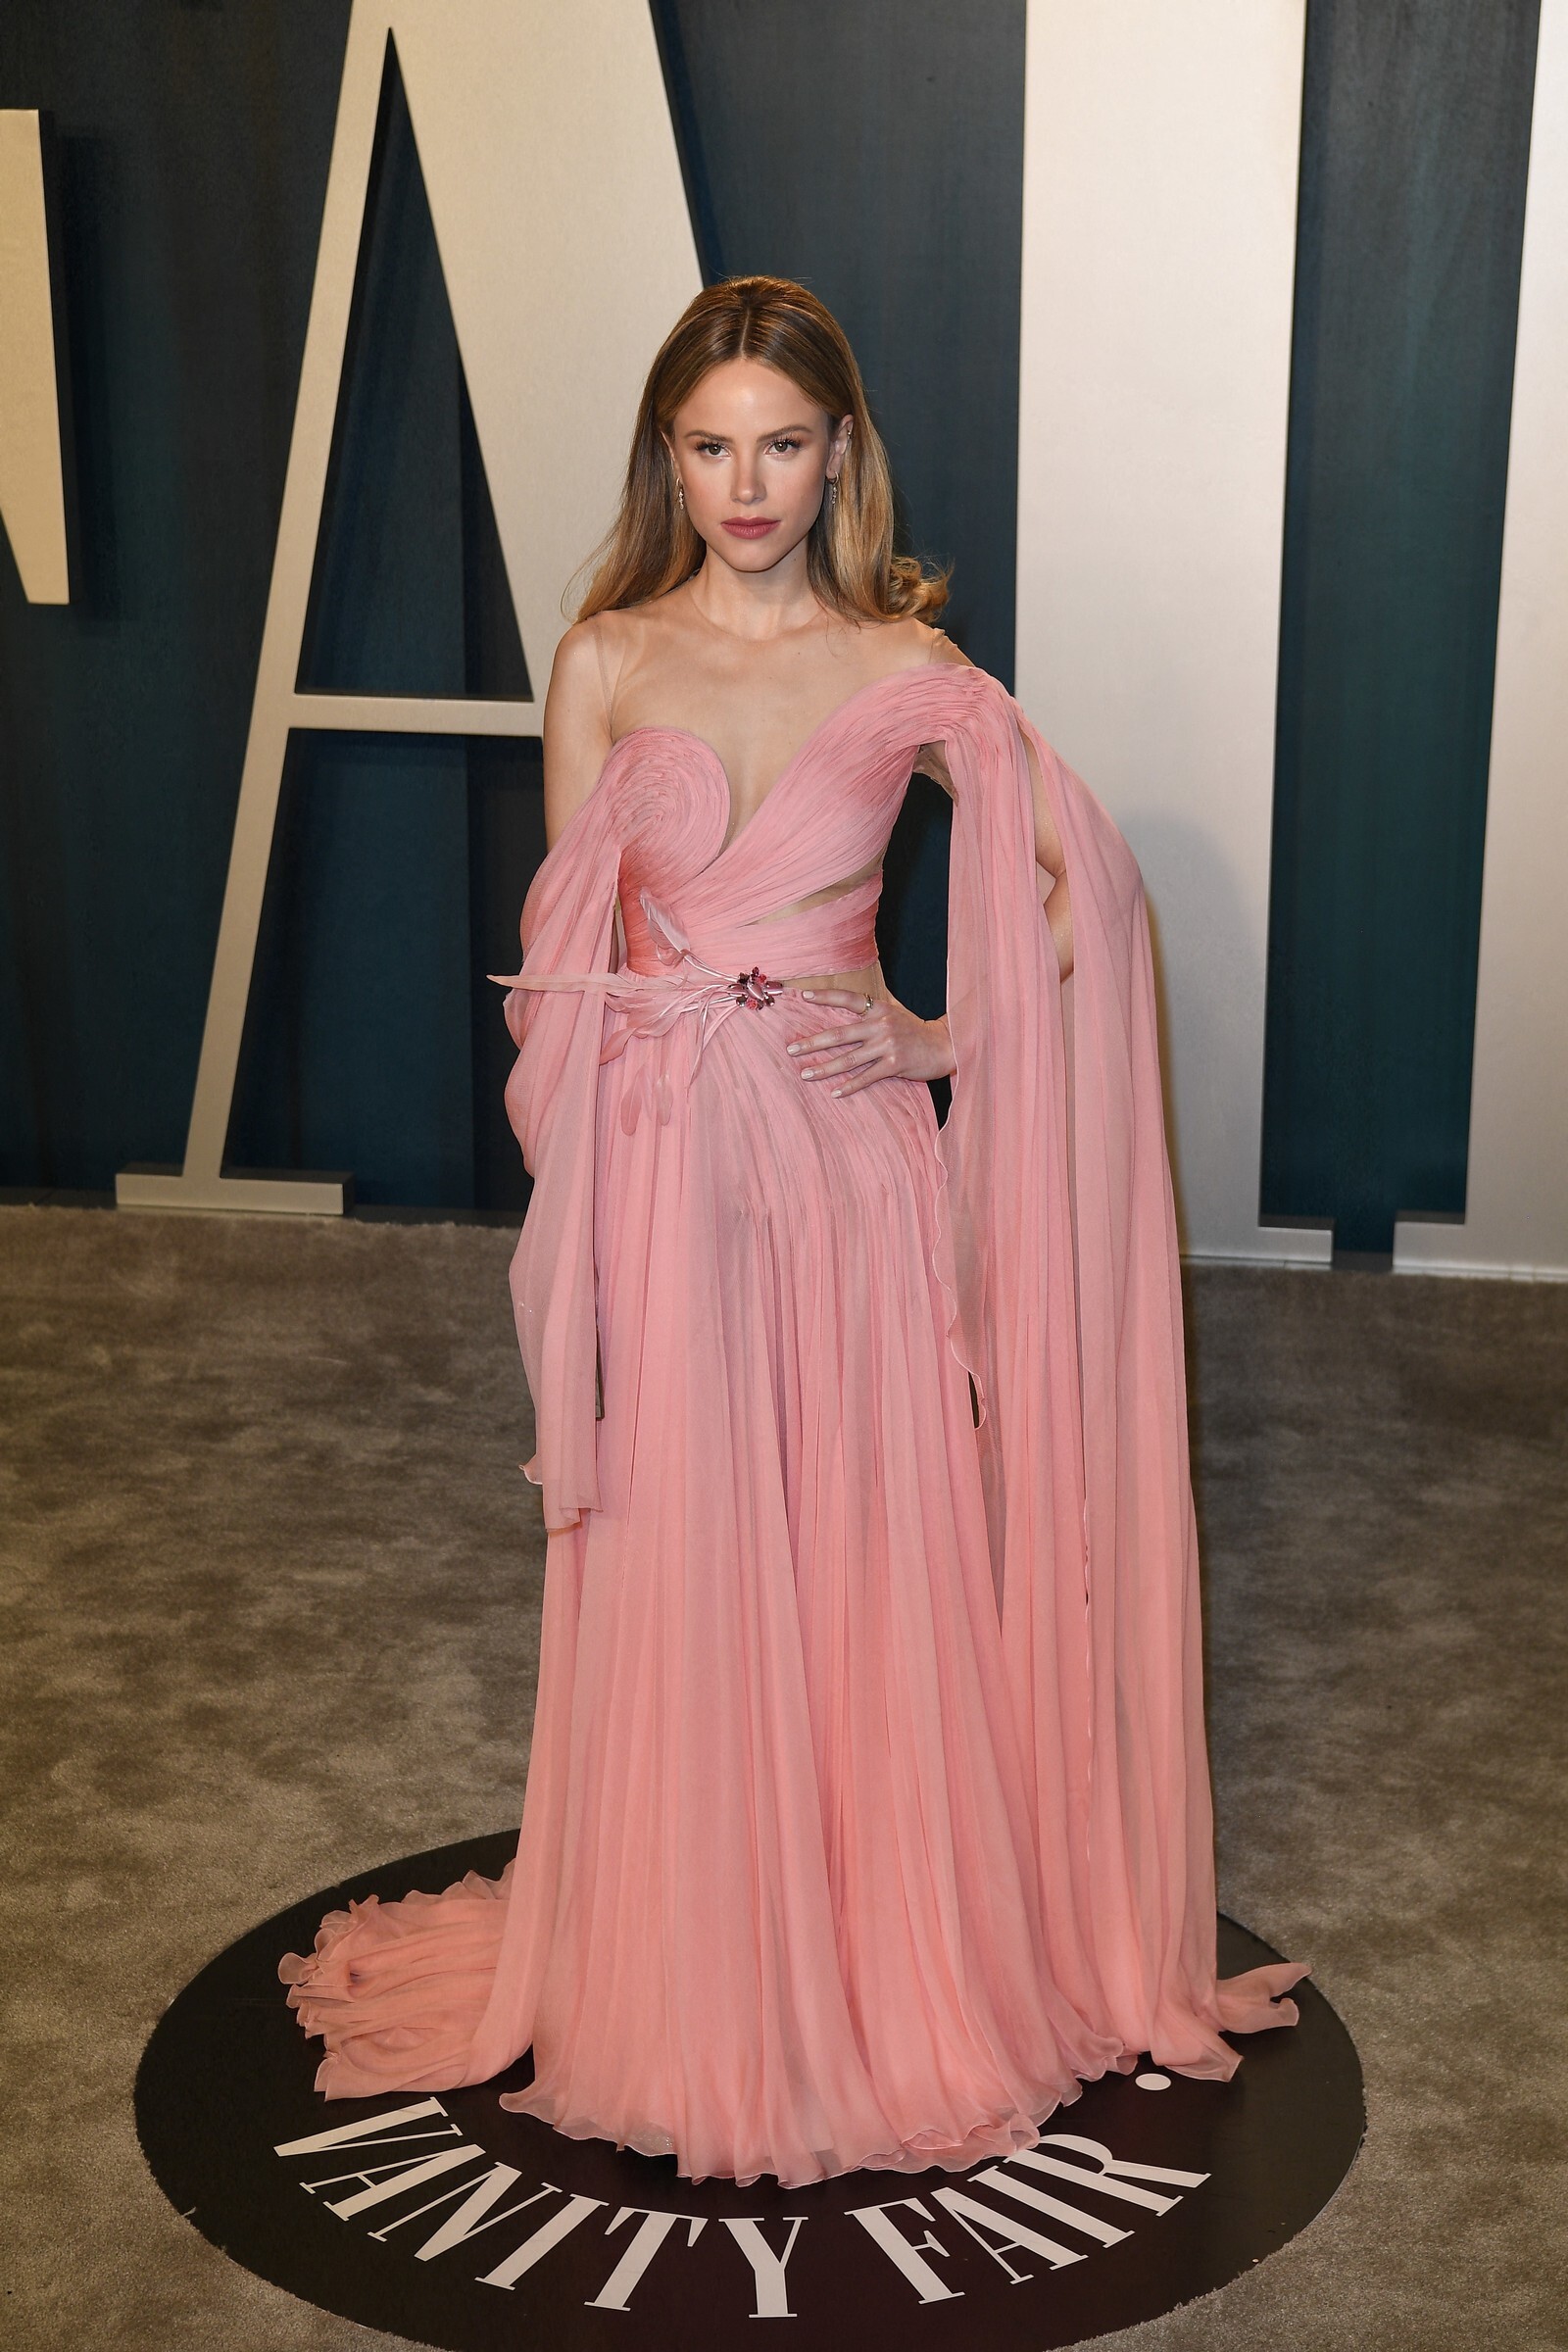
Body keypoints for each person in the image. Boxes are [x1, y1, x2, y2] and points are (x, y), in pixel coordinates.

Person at [280, 275, 1304, 2190]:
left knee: (855, 1543)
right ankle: (692, 1972)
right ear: (666, 459)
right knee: (684, 1552)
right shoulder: (603, 658)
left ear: (838, 454)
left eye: (779, 443)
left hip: (847, 1174)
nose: (744, 484)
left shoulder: (904, 667)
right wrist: (584, 1218)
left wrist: (943, 1035)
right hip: (664, 1164)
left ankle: (867, 1960)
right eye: (708, 446)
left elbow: (1091, 887)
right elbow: (561, 972)